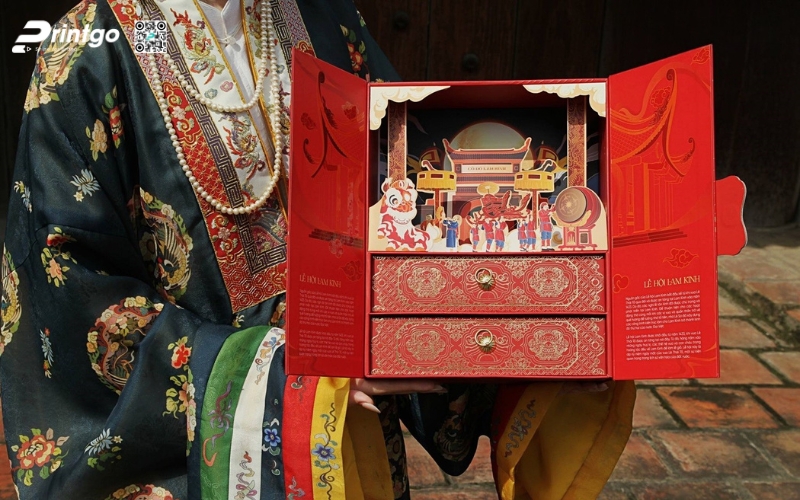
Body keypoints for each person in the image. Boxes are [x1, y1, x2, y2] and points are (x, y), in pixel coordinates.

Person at [0, 0, 635, 498]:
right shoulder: (89, 51)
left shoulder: (322, 15)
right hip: (209, 462)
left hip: (351, 443)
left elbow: (407, 202)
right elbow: (72, 296)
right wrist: (283, 373)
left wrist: (542, 321)